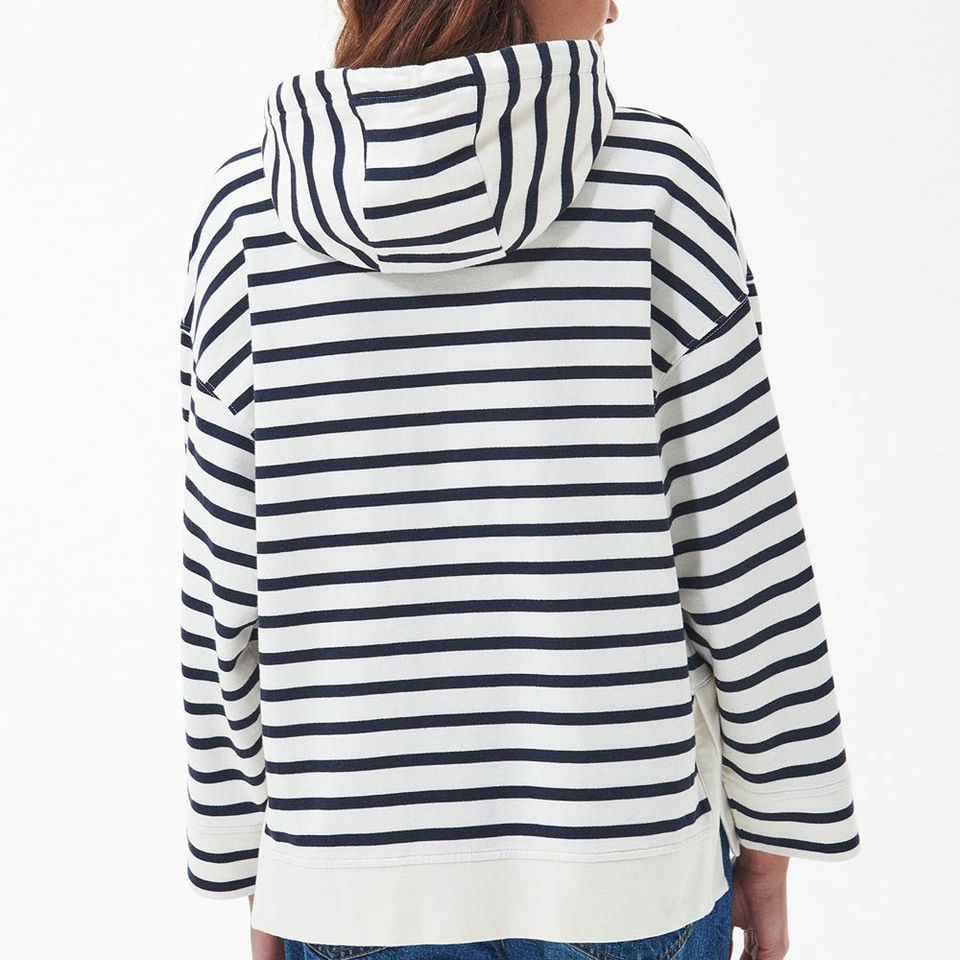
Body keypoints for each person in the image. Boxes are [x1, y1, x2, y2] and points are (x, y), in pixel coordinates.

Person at [177, 2, 862, 959]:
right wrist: (775, 834)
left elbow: (223, 592)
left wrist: (256, 867)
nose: (618, 3)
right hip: (626, 868)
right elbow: (744, 557)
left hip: (349, 886)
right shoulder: (658, 184)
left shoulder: (246, 217)